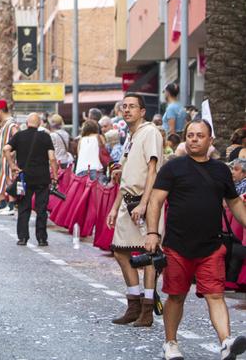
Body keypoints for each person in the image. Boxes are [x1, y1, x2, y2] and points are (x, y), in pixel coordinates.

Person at [146, 120, 246, 360]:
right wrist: (152, 233)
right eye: (190, 135)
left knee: (215, 295)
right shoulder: (172, 168)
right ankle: (170, 343)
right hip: (177, 246)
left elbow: (233, 202)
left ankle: (226, 343)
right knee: (176, 296)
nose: (193, 139)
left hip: (211, 246)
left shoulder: (222, 170)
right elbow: (156, 201)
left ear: (210, 141)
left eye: (199, 135)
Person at [107, 93, 165, 328]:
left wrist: (144, 203)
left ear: (143, 111)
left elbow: (153, 170)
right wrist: (114, 207)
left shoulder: (150, 132)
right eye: (124, 107)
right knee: (120, 252)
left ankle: (148, 308)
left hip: (145, 202)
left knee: (149, 255)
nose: (127, 110)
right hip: (126, 202)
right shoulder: (131, 137)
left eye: (132, 106)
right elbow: (125, 176)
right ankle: (134, 304)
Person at [5, 113, 58, 246]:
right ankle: (41, 238)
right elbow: (52, 158)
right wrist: (55, 175)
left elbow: (6, 149)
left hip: (24, 178)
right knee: (41, 209)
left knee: (23, 207)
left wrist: (12, 165)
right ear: (39, 123)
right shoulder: (45, 137)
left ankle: (22, 238)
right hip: (42, 178)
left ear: (27, 123)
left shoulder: (19, 136)